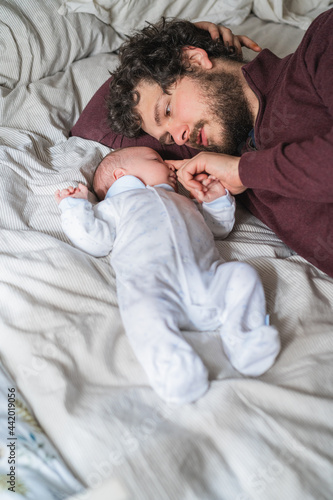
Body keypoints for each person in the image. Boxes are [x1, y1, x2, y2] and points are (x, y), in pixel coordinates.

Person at [106, 11, 333, 278]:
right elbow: (92, 129)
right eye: (168, 138)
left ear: (195, 60)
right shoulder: (224, 160)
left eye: (167, 110)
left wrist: (244, 171)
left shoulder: (320, 43)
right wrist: (184, 35)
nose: (178, 138)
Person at [55, 146, 280, 405]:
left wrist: (215, 199)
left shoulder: (185, 201)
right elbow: (93, 240)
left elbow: (218, 229)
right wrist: (74, 206)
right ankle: (173, 368)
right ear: (122, 175)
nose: (171, 166)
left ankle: (246, 339)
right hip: (156, 287)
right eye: (157, 160)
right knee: (140, 310)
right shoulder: (115, 206)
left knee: (241, 274)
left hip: (208, 282)